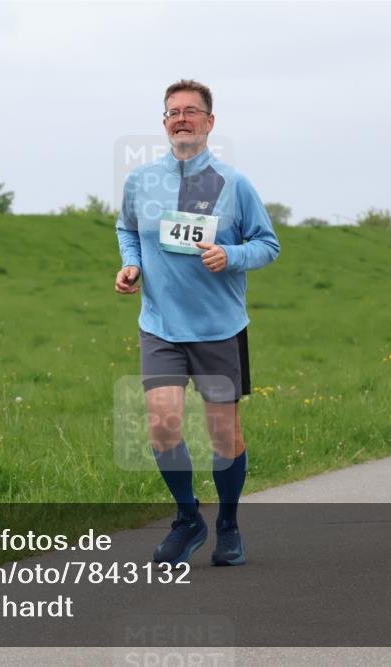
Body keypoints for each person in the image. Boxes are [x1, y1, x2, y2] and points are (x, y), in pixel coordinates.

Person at [114, 79, 280, 566]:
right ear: (164, 123)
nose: (181, 117)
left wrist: (229, 255)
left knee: (223, 436)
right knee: (163, 426)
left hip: (218, 329)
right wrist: (132, 265)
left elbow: (267, 245)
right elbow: (127, 229)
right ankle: (188, 519)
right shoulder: (141, 181)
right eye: (172, 112)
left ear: (210, 122)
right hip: (160, 325)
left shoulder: (235, 184)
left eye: (191, 110)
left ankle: (228, 524)